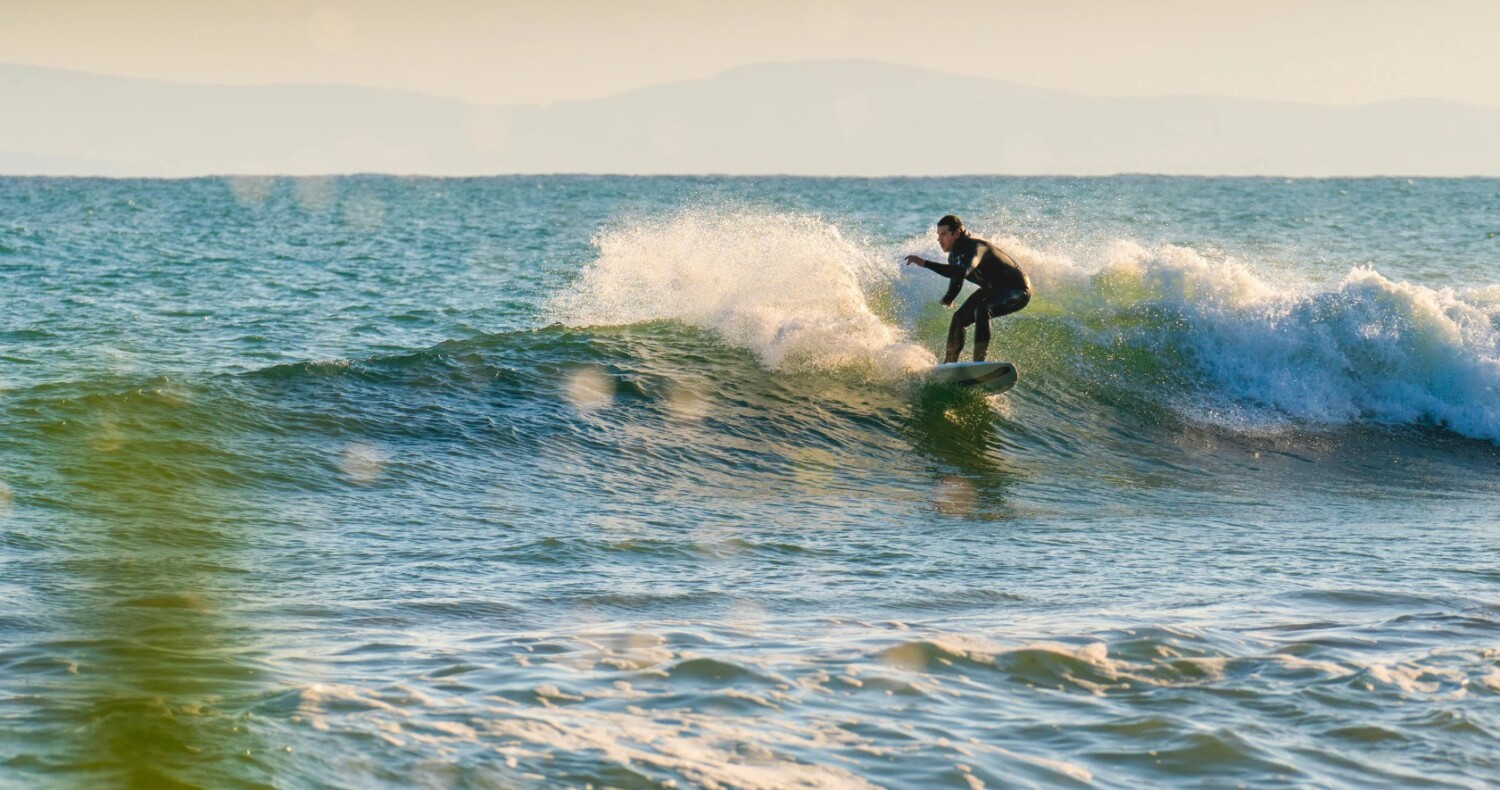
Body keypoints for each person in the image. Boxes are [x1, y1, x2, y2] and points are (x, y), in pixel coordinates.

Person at [904, 214, 1031, 363]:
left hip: (1017, 289)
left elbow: (963, 271)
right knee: (959, 318)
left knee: (983, 309)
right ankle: (949, 364)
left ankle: (979, 362)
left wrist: (925, 263)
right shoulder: (953, 256)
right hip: (991, 289)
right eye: (938, 235)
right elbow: (957, 280)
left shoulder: (975, 248)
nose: (939, 239)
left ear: (957, 233)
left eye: (944, 234)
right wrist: (949, 297)